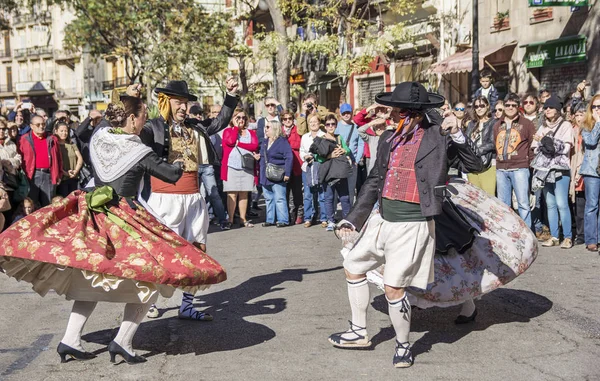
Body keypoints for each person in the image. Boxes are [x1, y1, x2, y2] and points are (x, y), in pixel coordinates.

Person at [0, 94, 226, 364]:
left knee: (91, 278)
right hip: (122, 217)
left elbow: (102, 122)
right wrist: (179, 162)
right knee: (152, 277)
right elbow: (171, 174)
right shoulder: (139, 150)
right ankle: (123, 341)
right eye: (142, 116)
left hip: (90, 212)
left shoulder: (101, 137)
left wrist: (125, 97)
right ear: (132, 118)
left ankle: (70, 340)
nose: (145, 122)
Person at [330, 82, 485, 368]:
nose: (391, 117)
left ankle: (403, 346)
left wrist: (460, 133)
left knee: (393, 287)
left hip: (413, 224)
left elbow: (476, 165)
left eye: (397, 112)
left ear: (414, 114)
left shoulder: (438, 137)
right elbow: (374, 180)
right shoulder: (389, 139)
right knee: (353, 266)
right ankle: (358, 332)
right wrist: (352, 219)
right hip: (382, 219)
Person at [140, 78, 238, 321]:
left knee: (197, 250)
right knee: (160, 253)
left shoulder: (194, 127)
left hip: (194, 197)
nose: (183, 107)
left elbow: (218, 122)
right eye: (178, 102)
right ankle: (150, 302)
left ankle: (187, 305)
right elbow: (134, 137)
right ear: (165, 102)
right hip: (164, 198)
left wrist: (230, 96)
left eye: (185, 103)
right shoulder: (153, 128)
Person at [531, 95, 573, 248]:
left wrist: (546, 142)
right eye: (546, 107)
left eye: (551, 107)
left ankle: (567, 237)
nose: (547, 110)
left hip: (560, 169)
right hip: (544, 171)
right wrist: (546, 144)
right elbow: (535, 149)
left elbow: (565, 148)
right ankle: (555, 236)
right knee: (550, 204)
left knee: (562, 204)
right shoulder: (542, 127)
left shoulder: (565, 125)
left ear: (558, 110)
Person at [494, 93, 536, 228]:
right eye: (507, 105)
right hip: (501, 169)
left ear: (518, 107)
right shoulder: (497, 125)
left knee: (523, 204)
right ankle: (507, 234)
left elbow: (532, 146)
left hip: (520, 168)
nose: (510, 108)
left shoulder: (527, 124)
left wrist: (530, 166)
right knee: (503, 205)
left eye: (513, 105)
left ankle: (528, 235)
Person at [310, 114, 352, 231]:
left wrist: (344, 150)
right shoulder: (321, 139)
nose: (330, 126)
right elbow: (317, 157)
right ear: (325, 126)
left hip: (340, 171)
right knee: (329, 197)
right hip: (328, 172)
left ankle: (346, 220)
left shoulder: (339, 138)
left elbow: (348, 150)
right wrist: (329, 156)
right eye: (328, 124)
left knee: (344, 197)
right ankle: (331, 221)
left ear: (336, 125)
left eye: (333, 124)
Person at [222, 108, 259, 228]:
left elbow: (254, 145)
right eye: (238, 117)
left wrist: (240, 144)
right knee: (231, 194)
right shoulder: (228, 131)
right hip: (231, 166)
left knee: (244, 194)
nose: (241, 120)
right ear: (232, 119)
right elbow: (230, 141)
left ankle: (243, 219)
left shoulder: (251, 133)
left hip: (247, 167)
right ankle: (230, 219)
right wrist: (236, 128)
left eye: (243, 117)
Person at [19, 115, 62, 208]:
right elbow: (20, 157)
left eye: (43, 124)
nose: (41, 126)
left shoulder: (52, 139)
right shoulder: (24, 139)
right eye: (38, 124)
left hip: (48, 175)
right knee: (31, 204)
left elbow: (59, 158)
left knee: (48, 205)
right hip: (32, 176)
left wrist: (59, 174)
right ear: (31, 126)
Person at [259, 120, 293, 227]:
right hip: (265, 174)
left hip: (278, 173)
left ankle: (283, 220)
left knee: (279, 198)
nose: (266, 129)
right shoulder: (265, 142)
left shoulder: (282, 141)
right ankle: (270, 219)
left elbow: (289, 157)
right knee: (268, 198)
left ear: (275, 128)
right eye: (266, 127)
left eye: (268, 127)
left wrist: (287, 173)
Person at [579, 94, 600, 252]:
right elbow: (591, 142)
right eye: (595, 107)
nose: (598, 110)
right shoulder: (586, 124)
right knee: (592, 205)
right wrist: (598, 123)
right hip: (592, 170)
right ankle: (591, 240)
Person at [300, 115, 327, 227]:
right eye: (310, 122)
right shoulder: (305, 137)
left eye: (315, 121)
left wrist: (315, 156)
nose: (313, 124)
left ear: (319, 122)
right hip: (307, 167)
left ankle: (324, 218)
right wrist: (305, 156)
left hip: (320, 167)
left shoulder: (324, 136)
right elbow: (301, 151)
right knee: (308, 194)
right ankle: (308, 218)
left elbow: (325, 151)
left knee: (322, 193)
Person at [465, 96, 496, 196]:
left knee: (489, 196)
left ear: (487, 106)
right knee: (475, 198)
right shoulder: (471, 124)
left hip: (488, 164)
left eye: (482, 105)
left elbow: (493, 143)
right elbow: (466, 141)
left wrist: (476, 150)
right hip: (472, 164)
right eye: (476, 106)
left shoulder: (493, 122)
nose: (479, 108)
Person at [336, 103, 363, 205]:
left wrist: (357, 159)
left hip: (352, 162)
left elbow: (361, 144)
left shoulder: (357, 127)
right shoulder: (336, 126)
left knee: (351, 188)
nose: (346, 115)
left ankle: (350, 210)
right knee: (338, 188)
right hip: (339, 162)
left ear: (352, 113)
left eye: (348, 113)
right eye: (344, 113)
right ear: (341, 114)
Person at [281, 110, 304, 225]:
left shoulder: (297, 129)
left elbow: (298, 144)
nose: (288, 121)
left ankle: (299, 214)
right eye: (285, 119)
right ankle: (288, 215)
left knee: (297, 192)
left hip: (296, 164)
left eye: (290, 118)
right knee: (285, 193)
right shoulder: (279, 131)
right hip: (283, 166)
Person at [569, 100, 586, 246]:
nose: (579, 118)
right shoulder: (571, 129)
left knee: (590, 205)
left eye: (582, 114)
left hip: (586, 170)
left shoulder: (589, 129)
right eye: (577, 115)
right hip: (573, 169)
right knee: (578, 205)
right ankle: (580, 234)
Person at [54, 121, 84, 197]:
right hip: (62, 179)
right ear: (56, 131)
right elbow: (55, 162)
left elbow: (80, 158)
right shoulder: (55, 145)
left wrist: (75, 171)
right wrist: (65, 173)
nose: (64, 133)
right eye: (61, 131)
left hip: (74, 177)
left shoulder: (71, 144)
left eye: (66, 131)